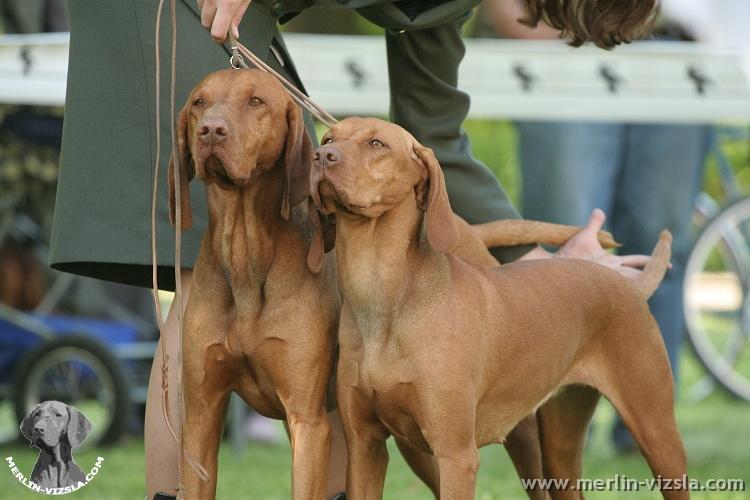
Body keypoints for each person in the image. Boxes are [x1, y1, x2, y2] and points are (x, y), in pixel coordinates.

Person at [49, 1, 658, 498]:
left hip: (233, 18)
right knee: (206, 280)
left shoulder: (441, 14)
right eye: (534, 12)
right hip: (163, 14)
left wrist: (544, 267)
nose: (516, 18)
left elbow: (433, 142)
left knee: (317, 273)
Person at [481, 0, 712, 453]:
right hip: (565, 41)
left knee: (661, 252)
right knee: (564, 249)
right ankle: (555, 435)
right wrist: (520, 19)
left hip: (676, 51)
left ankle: (645, 430)